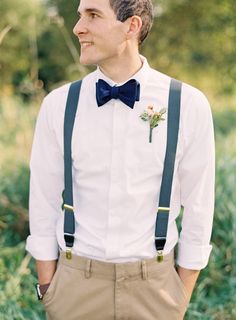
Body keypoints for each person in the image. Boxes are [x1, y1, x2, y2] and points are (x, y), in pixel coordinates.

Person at [26, 0, 215, 319]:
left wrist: (179, 298)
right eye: (79, 15)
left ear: (132, 26)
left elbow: (199, 208)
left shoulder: (188, 104)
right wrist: (50, 291)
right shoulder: (58, 104)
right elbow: (43, 204)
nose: (78, 28)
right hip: (74, 286)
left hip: (156, 288)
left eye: (93, 15)